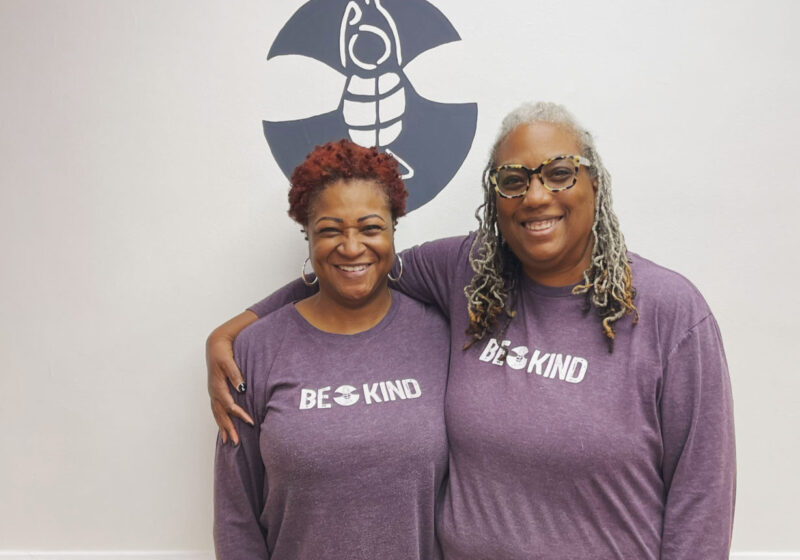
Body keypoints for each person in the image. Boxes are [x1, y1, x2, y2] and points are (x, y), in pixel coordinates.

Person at [209, 102, 736, 559]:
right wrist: (236, 331)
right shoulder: (469, 271)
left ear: (595, 182)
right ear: (495, 197)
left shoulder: (668, 311)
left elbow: (702, 496)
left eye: (559, 173)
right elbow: (357, 267)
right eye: (513, 179)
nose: (535, 196)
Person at [213, 139, 449, 560]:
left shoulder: (440, 335)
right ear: (307, 234)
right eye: (330, 230)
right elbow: (236, 515)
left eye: (370, 227)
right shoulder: (254, 350)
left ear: (394, 228)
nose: (352, 246)